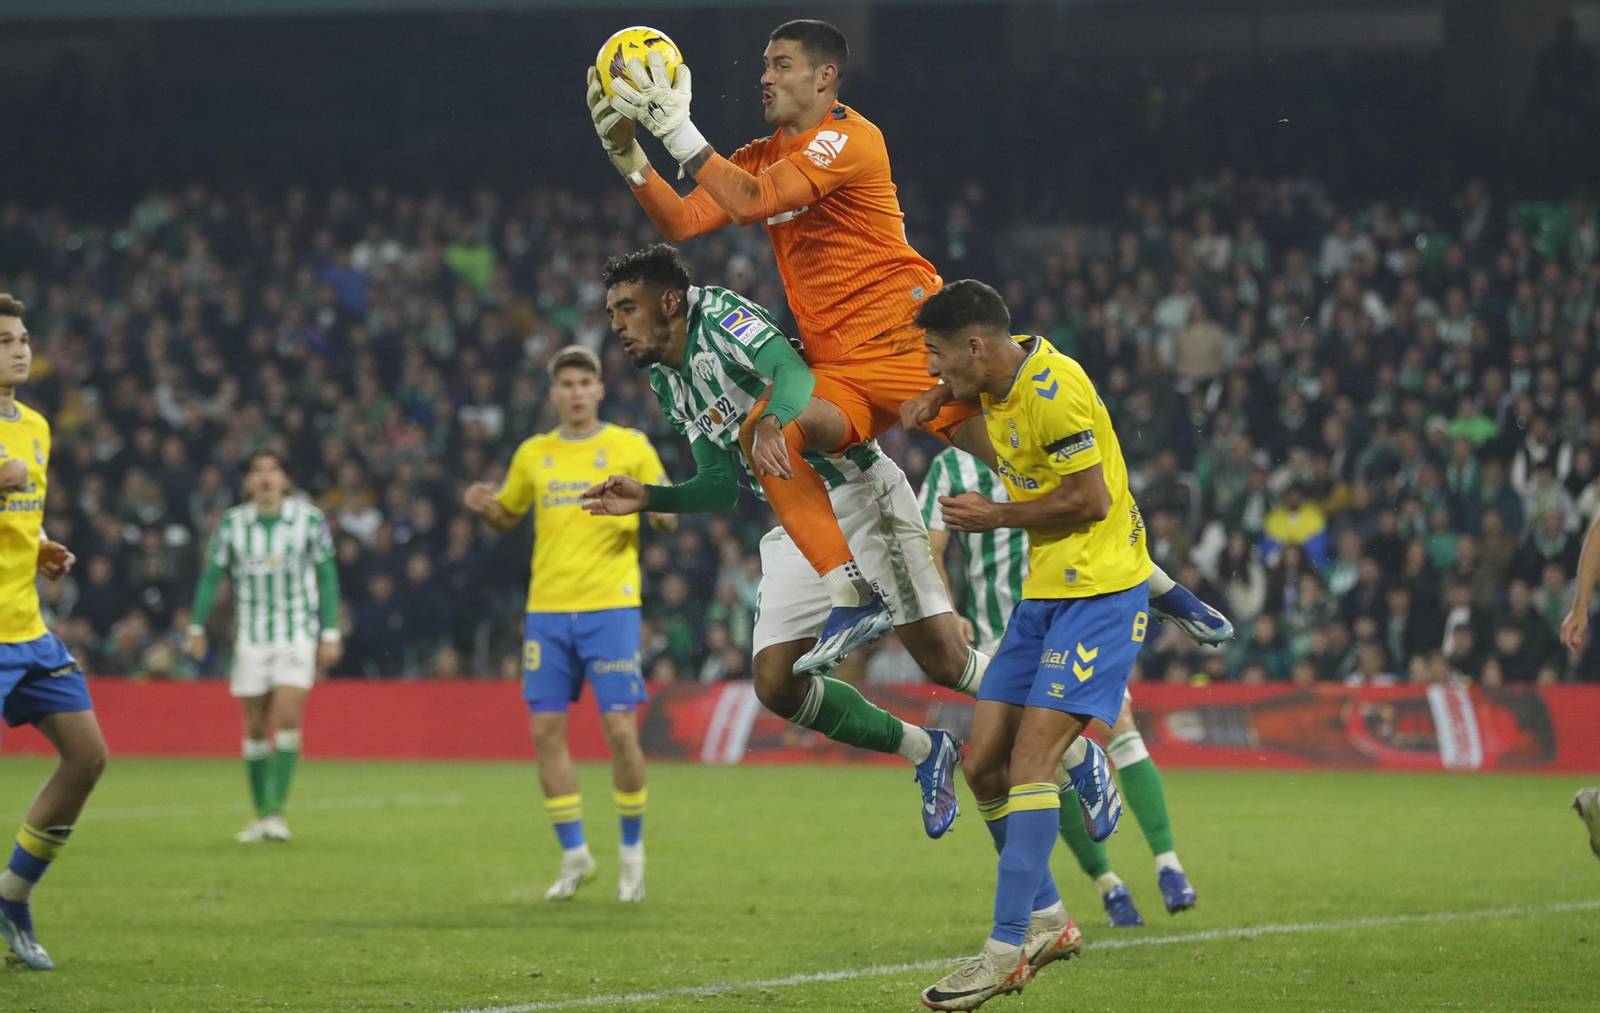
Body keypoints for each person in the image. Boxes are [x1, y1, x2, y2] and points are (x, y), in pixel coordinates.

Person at [586, 19, 996, 677]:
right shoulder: (761, 153)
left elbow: (754, 202)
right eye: (764, 65)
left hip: (908, 346)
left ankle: (1129, 562)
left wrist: (676, 130)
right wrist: (630, 157)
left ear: (824, 76)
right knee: (766, 431)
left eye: (780, 65)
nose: (764, 77)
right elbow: (685, 220)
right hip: (841, 370)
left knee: (1015, 456)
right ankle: (848, 592)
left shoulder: (850, 138)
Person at [581, 244, 984, 838]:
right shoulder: (669, 381)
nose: (615, 324)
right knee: (776, 681)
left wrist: (773, 421)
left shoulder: (718, 316)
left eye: (626, 308)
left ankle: (1078, 751)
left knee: (948, 664)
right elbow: (720, 486)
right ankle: (928, 750)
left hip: (856, 492)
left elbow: (794, 373)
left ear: (668, 301)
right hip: (798, 519)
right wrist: (652, 497)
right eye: (611, 311)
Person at [908, 281, 1150, 1010]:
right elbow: (1003, 453)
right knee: (983, 766)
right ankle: (1048, 919)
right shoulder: (998, 395)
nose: (934, 370)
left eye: (940, 357)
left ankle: (1004, 950)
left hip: (1100, 595)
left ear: (976, 346)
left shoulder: (1055, 387)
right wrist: (936, 417)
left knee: (1031, 760)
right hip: (1044, 595)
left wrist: (996, 516)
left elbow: (1091, 499)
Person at [920, 446, 1204, 926]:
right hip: (1003, 632)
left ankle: (1168, 864)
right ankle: (1107, 883)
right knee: (1035, 762)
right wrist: (949, 610)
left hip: (1076, 613)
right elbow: (932, 547)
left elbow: (1106, 512)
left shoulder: (1047, 435)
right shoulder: (950, 464)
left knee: (1120, 724)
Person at [463, 346, 674, 903]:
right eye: (567, 384)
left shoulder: (630, 446)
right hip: (548, 612)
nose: (577, 392)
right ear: (553, 393)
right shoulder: (534, 454)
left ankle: (632, 856)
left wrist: (658, 508)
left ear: (600, 389)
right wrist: (488, 507)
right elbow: (508, 514)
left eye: (586, 382)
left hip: (610, 607)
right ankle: (575, 853)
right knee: (544, 734)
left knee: (621, 732)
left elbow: (668, 514)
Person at [0, 293, 106, 971]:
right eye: (5, 339)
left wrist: (38, 543)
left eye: (24, 337)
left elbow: (19, 512)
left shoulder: (35, 426)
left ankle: (12, 896)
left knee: (88, 755)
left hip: (28, 627)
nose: (20, 348)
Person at [187, 451, 342, 844]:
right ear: (248, 483)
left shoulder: (309, 520)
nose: (266, 477)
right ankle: (262, 814)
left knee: (286, 716)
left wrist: (331, 632)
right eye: (257, 471)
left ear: (286, 479)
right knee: (256, 727)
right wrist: (196, 626)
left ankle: (276, 812)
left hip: (296, 634)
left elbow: (327, 575)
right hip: (252, 638)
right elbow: (211, 577)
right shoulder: (232, 524)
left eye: (274, 470)